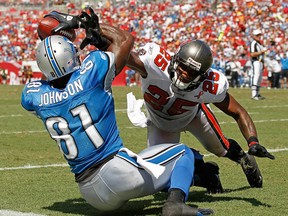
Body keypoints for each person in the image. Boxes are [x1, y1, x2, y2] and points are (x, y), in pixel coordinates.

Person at [22, 11, 215, 216]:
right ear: (70, 58)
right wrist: (80, 24)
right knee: (183, 153)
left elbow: (49, 75)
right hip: (117, 174)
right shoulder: (91, 73)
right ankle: (175, 204)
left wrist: (48, 48)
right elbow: (125, 39)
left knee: (145, 161)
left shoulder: (34, 96)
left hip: (90, 193)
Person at [121, 38, 275, 188]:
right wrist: (101, 40)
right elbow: (122, 54)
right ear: (175, 60)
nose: (184, 74)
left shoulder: (210, 85)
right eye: (183, 67)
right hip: (160, 123)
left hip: (193, 116)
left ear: (202, 75)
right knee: (161, 178)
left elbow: (238, 112)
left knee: (221, 148)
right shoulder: (155, 63)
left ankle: (243, 158)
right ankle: (207, 174)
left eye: (192, 72)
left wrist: (253, 141)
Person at [249, 29, 269, 100]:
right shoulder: (253, 43)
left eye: (259, 35)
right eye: (257, 35)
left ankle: (257, 93)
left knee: (259, 78)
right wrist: (261, 52)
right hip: (256, 61)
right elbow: (252, 54)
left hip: (260, 61)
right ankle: (254, 94)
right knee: (256, 76)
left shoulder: (259, 43)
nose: (259, 36)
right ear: (254, 36)